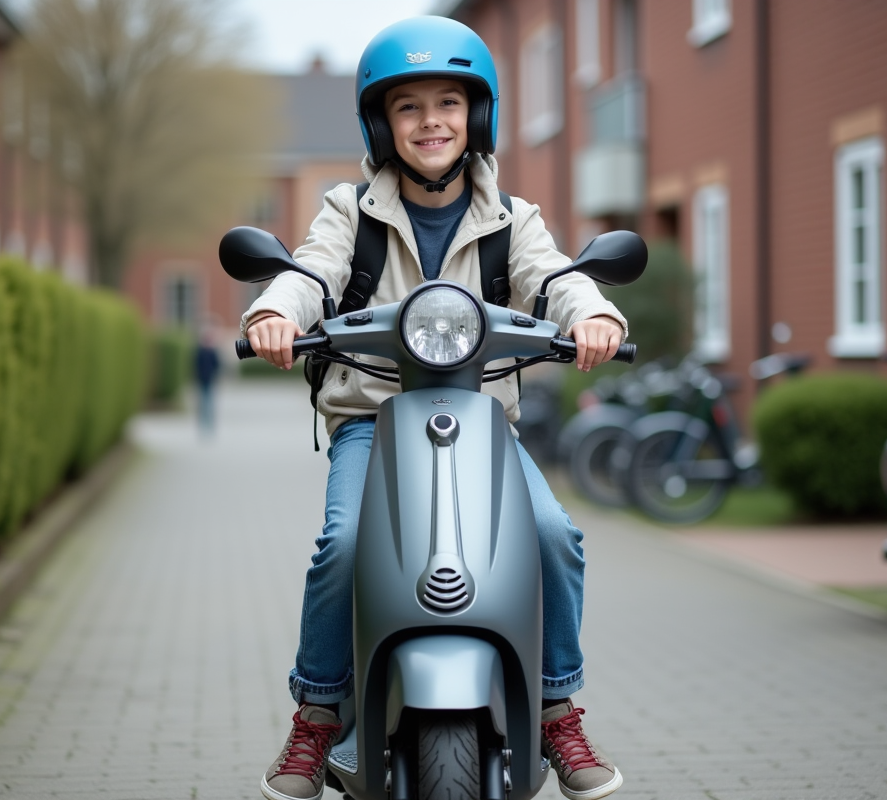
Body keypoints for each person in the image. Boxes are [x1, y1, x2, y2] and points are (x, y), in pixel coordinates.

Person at [243, 16, 628, 800]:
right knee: (345, 542)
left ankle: (555, 703)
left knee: (555, 532)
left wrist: (593, 316)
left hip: (483, 420)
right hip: (370, 422)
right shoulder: (348, 211)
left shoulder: (510, 218)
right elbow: (310, 273)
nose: (430, 122)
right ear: (381, 123)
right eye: (409, 106)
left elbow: (553, 277)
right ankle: (318, 715)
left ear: (477, 116)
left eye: (448, 102)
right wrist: (274, 314)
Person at [194, 329, 221, 434]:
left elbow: (217, 365)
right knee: (202, 402)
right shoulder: (200, 351)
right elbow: (196, 365)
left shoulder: (211, 352)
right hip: (201, 379)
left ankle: (209, 423)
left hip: (209, 379)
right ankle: (203, 423)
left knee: (209, 402)